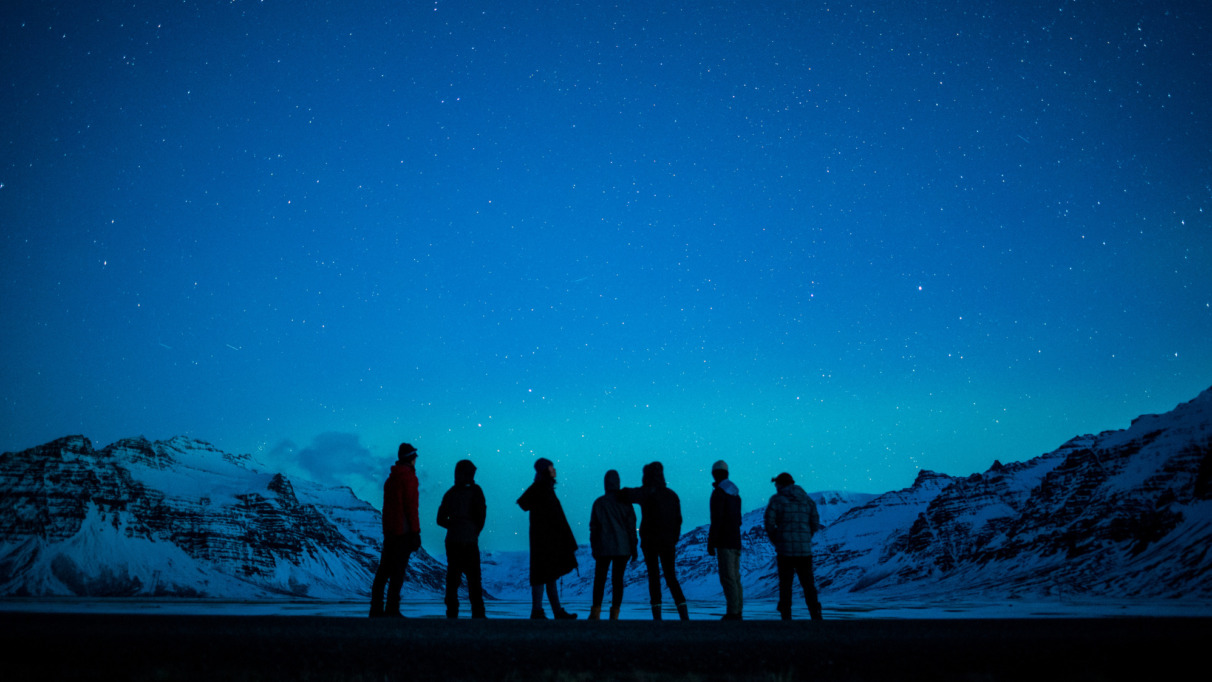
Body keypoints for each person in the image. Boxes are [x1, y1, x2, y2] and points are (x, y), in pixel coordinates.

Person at [621, 461, 688, 621]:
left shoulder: (646, 492)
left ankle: (657, 617)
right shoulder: (672, 495)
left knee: (653, 576)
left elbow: (626, 494)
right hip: (668, 542)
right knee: (671, 576)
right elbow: (679, 520)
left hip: (650, 541)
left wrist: (614, 490)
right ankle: (684, 615)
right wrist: (674, 538)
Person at [516, 458, 578, 620]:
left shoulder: (543, 488)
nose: (554, 470)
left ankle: (549, 611)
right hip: (544, 539)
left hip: (545, 538)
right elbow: (524, 503)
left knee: (548, 575)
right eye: (551, 468)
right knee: (543, 575)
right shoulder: (541, 488)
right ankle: (540, 611)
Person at [369, 443, 421, 618]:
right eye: (415, 457)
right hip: (403, 532)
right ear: (411, 458)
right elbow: (411, 506)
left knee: (384, 570)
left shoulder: (391, 479)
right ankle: (392, 609)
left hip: (390, 531)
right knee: (398, 572)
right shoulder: (409, 478)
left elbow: (388, 508)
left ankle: (376, 609)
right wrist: (415, 532)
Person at [764, 472, 824, 621]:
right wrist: (805, 538)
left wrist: (777, 539)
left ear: (781, 484)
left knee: (785, 585)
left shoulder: (776, 500)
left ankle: (786, 617)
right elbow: (815, 522)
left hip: (785, 552)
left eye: (777, 483)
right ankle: (815, 615)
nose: (776, 486)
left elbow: (769, 523)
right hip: (804, 551)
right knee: (808, 584)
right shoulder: (807, 500)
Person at [436, 459, 487, 619]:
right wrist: (472, 529)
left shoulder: (451, 493)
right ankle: (478, 615)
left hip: (454, 541)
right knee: (473, 581)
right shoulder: (475, 492)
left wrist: (454, 525)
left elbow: (440, 519)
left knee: (453, 579)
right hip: (468, 541)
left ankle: (452, 614)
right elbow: (481, 516)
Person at [588, 469, 638, 620]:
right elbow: (631, 527)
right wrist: (633, 547)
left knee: (600, 579)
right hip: (622, 549)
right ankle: (615, 613)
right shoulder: (626, 503)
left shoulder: (599, 503)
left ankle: (596, 611)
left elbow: (593, 528)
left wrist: (594, 547)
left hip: (603, 548)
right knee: (617, 580)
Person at [707, 460, 743, 620]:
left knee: (728, 577)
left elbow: (717, 519)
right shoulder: (735, 495)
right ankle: (737, 610)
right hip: (735, 540)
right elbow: (738, 520)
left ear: (715, 474)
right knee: (735, 577)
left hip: (724, 541)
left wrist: (711, 541)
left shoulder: (719, 494)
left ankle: (733, 612)